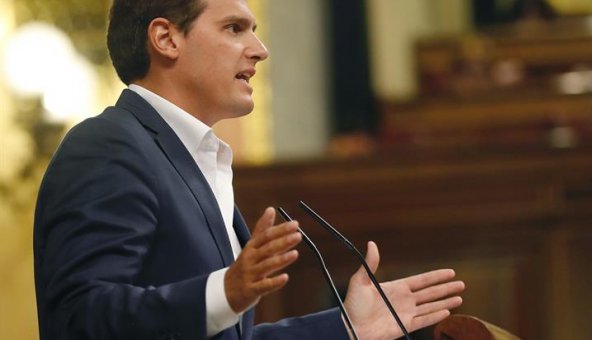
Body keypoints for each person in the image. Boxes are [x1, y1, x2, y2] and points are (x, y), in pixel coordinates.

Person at [33, 0, 465, 339]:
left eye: (254, 31)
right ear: (166, 38)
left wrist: (347, 326)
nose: (260, 50)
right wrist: (224, 292)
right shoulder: (109, 146)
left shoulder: (196, 161)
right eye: (234, 28)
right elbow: (80, 319)